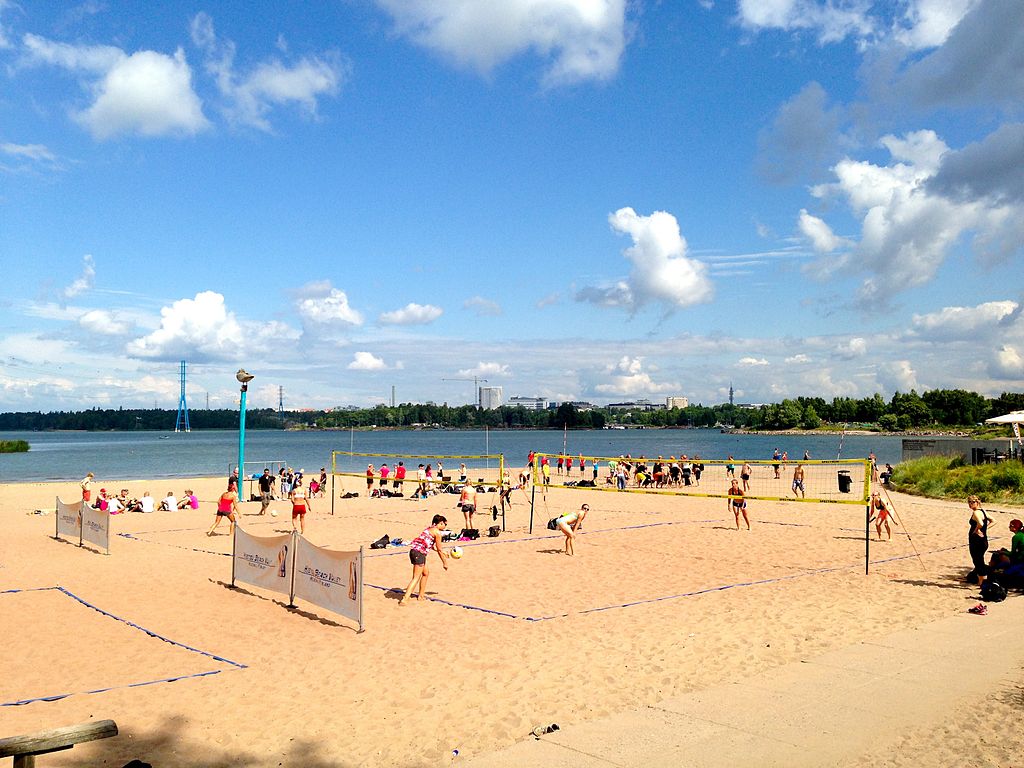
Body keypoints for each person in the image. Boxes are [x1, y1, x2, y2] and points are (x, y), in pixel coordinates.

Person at [399, 514, 450, 606]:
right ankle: (405, 599)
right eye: (445, 524)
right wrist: (444, 563)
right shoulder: (437, 533)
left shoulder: (429, 529)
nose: (445, 526)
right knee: (415, 577)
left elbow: (432, 546)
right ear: (441, 523)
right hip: (419, 553)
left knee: (425, 573)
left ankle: (421, 596)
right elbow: (439, 550)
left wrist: (444, 552)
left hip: (414, 551)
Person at [967, 494, 990, 586]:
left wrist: (977, 530)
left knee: (978, 561)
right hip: (983, 540)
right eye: (969, 502)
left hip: (976, 541)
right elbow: (993, 520)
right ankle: (981, 581)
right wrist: (985, 528)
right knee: (979, 560)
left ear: (977, 502)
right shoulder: (983, 511)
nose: (970, 504)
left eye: (972, 502)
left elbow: (980, 523)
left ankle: (982, 581)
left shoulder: (977, 512)